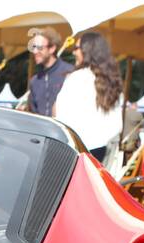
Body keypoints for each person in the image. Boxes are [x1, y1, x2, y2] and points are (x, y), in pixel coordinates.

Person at [52, 31, 123, 166]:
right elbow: (116, 125)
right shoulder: (113, 81)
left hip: (79, 151)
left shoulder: (76, 78)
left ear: (88, 50)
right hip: (104, 151)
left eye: (76, 48)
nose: (73, 53)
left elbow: (61, 117)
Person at [26, 27, 72, 116]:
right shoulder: (35, 81)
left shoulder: (70, 74)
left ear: (52, 48)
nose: (35, 51)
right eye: (33, 47)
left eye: (39, 47)